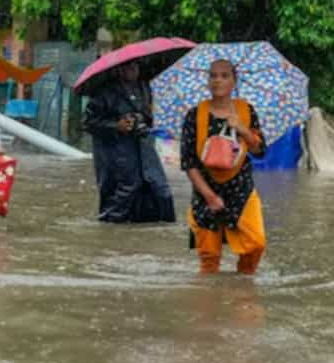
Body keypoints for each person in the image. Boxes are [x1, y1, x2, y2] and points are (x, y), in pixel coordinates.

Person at [180, 59, 268, 275]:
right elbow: (189, 163)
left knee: (256, 244)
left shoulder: (246, 111)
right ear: (208, 82)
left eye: (224, 75)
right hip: (206, 191)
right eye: (213, 76)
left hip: (241, 188)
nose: (218, 80)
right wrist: (209, 197)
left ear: (234, 81)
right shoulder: (194, 115)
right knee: (209, 258)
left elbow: (260, 150)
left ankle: (243, 289)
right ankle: (212, 302)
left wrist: (242, 128)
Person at [82, 60, 175, 223]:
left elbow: (147, 115)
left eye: (135, 66)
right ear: (119, 69)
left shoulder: (144, 87)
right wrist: (116, 126)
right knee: (125, 191)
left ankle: (152, 226)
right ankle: (110, 227)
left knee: (160, 189)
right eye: (127, 66)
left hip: (144, 147)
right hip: (117, 152)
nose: (132, 70)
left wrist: (144, 120)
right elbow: (88, 122)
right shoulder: (105, 92)